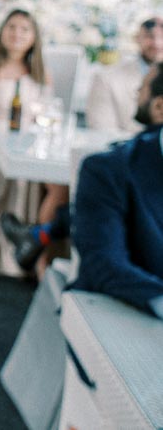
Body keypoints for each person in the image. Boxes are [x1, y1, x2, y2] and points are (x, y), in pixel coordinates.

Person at [0, 9, 57, 276]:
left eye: (24, 29)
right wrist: (1, 126)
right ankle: (8, 242)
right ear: (2, 31)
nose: (17, 34)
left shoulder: (41, 73)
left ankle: (33, 246)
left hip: (26, 138)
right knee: (8, 161)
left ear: (34, 37)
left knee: (44, 170)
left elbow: (46, 111)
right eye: (12, 27)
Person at [73, 65, 163, 318]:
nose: (138, 94)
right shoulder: (108, 170)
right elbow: (104, 263)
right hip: (133, 316)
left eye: (142, 89)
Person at [86, 15, 163, 135]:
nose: (157, 43)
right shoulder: (106, 79)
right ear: (137, 38)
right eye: (150, 36)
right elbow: (101, 135)